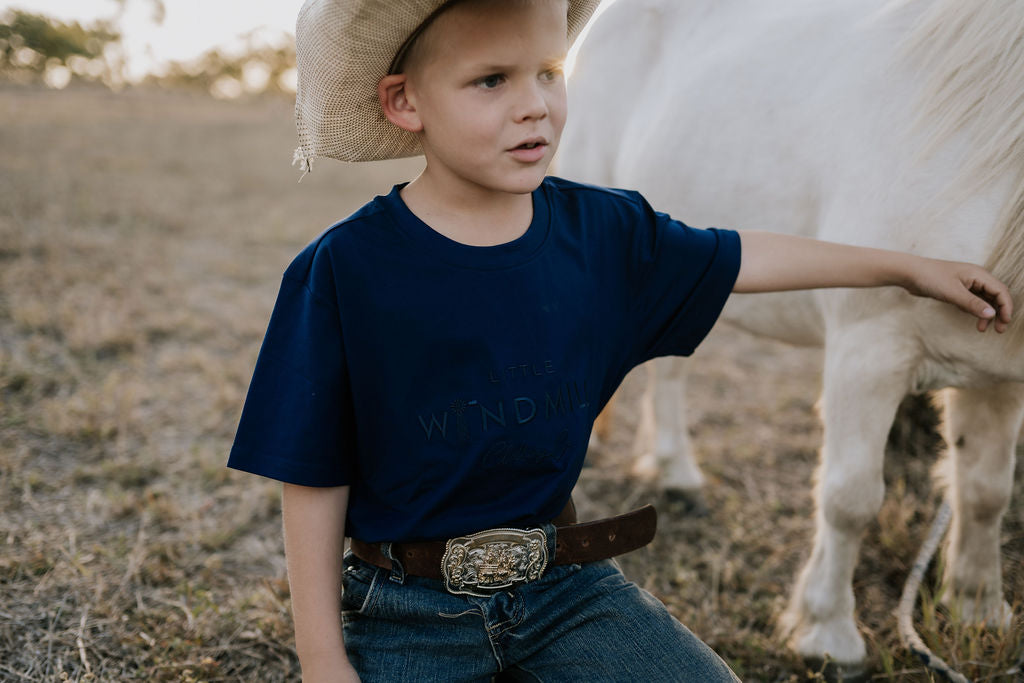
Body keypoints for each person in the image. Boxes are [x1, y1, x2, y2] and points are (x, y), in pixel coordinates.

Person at [226, 0, 1014, 680]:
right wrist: (322, 656)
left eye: (548, 71)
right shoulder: (343, 271)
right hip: (405, 606)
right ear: (404, 101)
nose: (535, 105)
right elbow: (312, 475)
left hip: (563, 587)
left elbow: (743, 252)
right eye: (491, 81)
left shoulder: (600, 230)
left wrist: (907, 266)